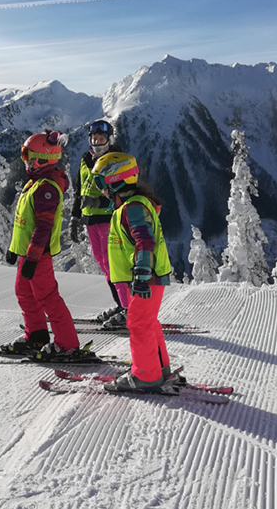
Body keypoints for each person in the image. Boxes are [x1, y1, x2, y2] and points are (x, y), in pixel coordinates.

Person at [91, 152, 183, 392]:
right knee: (148, 322)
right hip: (148, 276)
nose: (98, 188)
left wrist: (141, 274)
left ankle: (145, 376)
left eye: (100, 182)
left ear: (115, 180)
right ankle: (158, 369)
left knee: (138, 323)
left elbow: (144, 240)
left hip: (147, 277)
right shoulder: (132, 205)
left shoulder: (132, 208)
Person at [1, 130, 89, 362]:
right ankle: (37, 336)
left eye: (30, 157)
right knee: (24, 294)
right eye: (25, 157)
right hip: (27, 254)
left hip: (38, 256)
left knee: (48, 298)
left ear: (43, 157)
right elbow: (25, 224)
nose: (27, 161)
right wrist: (14, 249)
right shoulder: (35, 183)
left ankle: (67, 345)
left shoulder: (47, 188)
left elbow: (43, 228)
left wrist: (31, 258)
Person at [69, 119, 127, 328]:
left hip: (110, 218)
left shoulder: (116, 160)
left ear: (109, 140)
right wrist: (75, 218)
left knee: (115, 265)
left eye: (101, 138)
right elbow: (79, 192)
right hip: (91, 220)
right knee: (104, 264)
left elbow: (125, 191)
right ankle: (121, 305)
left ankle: (129, 308)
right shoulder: (86, 161)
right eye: (94, 138)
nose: (97, 142)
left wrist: (99, 200)